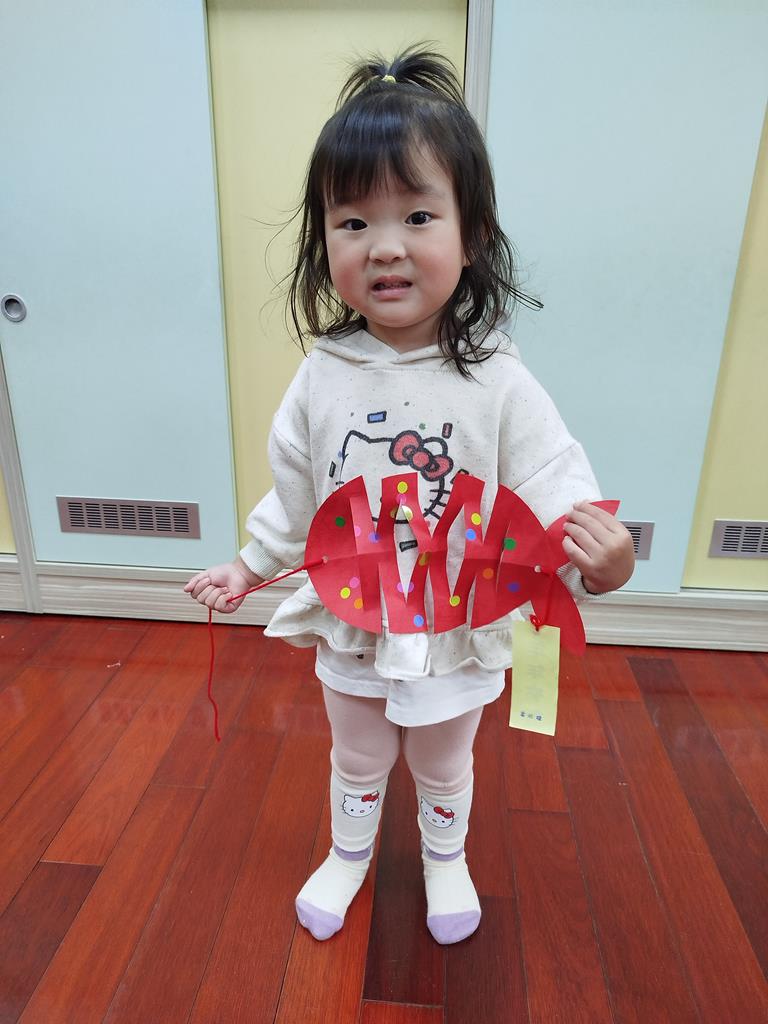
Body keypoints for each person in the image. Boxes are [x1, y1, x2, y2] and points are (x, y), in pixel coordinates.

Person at [185, 46, 634, 946]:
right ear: (324, 243)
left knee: (442, 755)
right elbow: (298, 492)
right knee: (356, 750)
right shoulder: (322, 375)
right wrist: (247, 565)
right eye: (353, 222)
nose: (385, 245)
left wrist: (605, 560)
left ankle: (444, 857)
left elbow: (556, 487)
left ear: (472, 236)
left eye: (418, 216)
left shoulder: (499, 380)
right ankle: (347, 854)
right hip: (355, 610)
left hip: (455, 616)